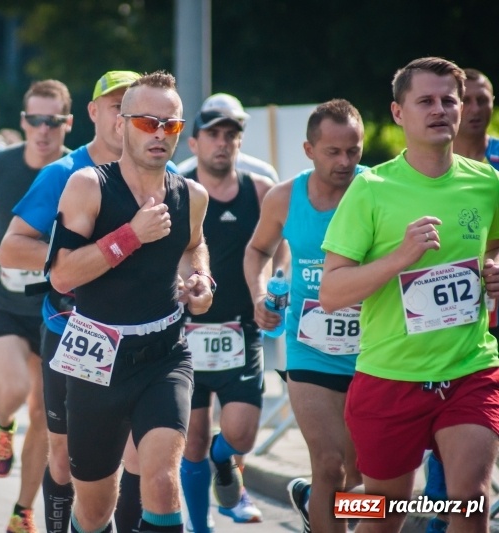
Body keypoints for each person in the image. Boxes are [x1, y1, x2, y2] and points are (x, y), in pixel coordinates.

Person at [319, 57, 499, 533]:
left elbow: (492, 250)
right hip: (390, 374)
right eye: (426, 101)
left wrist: (495, 269)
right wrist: (399, 257)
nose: (440, 110)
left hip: (469, 368)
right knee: (383, 510)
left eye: (449, 100)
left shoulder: (486, 184)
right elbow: (332, 291)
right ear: (399, 113)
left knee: (471, 500)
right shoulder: (371, 189)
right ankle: (341, 505)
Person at [47, 71, 212, 533]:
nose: (159, 134)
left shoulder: (191, 196)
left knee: (160, 483)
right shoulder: (89, 185)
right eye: (146, 122)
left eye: (171, 125)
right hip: (97, 357)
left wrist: (200, 279)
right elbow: (61, 275)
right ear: (120, 125)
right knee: (96, 507)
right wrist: (130, 237)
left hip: (165, 356)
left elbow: (192, 246)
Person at [0, 70, 151, 533]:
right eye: (115, 107)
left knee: (140, 457)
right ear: (94, 113)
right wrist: (87, 259)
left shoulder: (159, 175)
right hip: (75, 333)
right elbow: (11, 248)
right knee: (65, 458)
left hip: (143, 337)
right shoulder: (64, 174)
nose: (125, 118)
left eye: (136, 111)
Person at [0, 79, 73, 532]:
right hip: (3, 301)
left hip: (57, 307)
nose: (43, 130)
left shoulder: (78, 171)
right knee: (11, 393)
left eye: (53, 121)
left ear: (68, 123)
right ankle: (0, 424)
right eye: (34, 120)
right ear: (22, 121)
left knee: (45, 414)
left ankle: (23, 510)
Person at [244, 99, 366, 532]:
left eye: (353, 150)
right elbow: (258, 249)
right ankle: (321, 498)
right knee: (329, 464)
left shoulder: (377, 190)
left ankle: (317, 506)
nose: (345, 161)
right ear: (308, 149)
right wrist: (260, 295)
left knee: (361, 476)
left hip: (371, 348)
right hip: (309, 347)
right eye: (333, 152)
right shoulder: (285, 198)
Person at [180, 103, 281, 530]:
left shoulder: (260, 190)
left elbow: (277, 249)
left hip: (240, 329)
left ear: (240, 141)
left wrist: (271, 291)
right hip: (186, 332)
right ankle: (200, 525)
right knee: (194, 440)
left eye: (231, 135)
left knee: (239, 436)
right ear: (195, 141)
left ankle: (227, 468)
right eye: (214, 134)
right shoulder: (179, 188)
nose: (223, 143)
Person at [423, 67, 499, 533]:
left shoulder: (494, 175)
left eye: (481, 99)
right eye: (463, 99)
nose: (473, 109)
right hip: (420, 341)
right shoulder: (398, 179)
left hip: (484, 338)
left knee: (469, 487)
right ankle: (328, 503)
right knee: (368, 488)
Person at [177, 93, 279, 183]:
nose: (222, 142)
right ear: (194, 142)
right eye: (212, 133)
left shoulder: (263, 176)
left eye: (238, 121)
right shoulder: (180, 178)